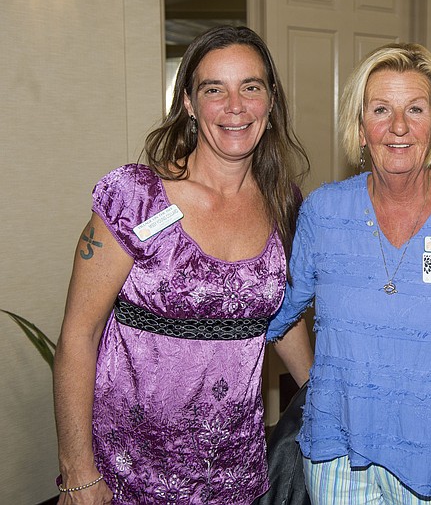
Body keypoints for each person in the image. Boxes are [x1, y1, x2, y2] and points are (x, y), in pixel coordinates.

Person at [53, 25, 313, 505]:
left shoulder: (284, 204)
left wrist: (323, 398)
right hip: (128, 474)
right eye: (214, 89)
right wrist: (78, 472)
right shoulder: (135, 198)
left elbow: (282, 314)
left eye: (250, 87)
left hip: (234, 475)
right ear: (190, 104)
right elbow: (78, 334)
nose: (234, 106)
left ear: (271, 100)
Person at [266, 43, 431, 505]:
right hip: (337, 460)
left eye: (415, 109)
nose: (399, 127)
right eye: (381, 110)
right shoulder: (324, 212)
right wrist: (323, 387)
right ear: (360, 128)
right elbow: (279, 311)